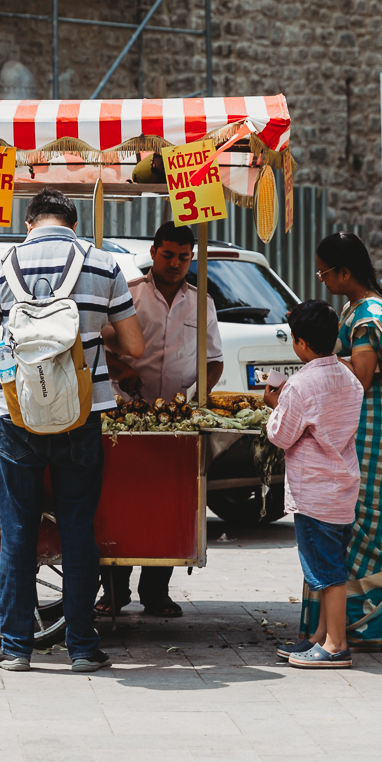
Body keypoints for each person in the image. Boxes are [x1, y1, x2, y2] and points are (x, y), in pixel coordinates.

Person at [0, 189, 146, 673]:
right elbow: (133, 344)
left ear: (30, 222)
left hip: (16, 418)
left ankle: (15, 648)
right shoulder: (105, 265)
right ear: (73, 223)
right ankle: (83, 649)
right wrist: (92, 328)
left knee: (18, 531)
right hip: (81, 416)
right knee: (77, 530)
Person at [295, 231, 382, 651]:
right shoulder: (358, 307)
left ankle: (361, 627)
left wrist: (315, 370)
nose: (321, 279)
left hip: (370, 434)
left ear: (344, 272)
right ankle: (332, 629)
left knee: (363, 522)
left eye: (323, 272)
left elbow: (362, 375)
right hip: (354, 431)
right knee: (343, 522)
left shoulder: (370, 315)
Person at [96, 221, 223, 618]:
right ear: (153, 253)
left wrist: (193, 396)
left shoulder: (202, 302)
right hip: (127, 417)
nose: (175, 264)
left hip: (177, 424)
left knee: (168, 505)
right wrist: (121, 371)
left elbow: (214, 361)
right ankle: (114, 591)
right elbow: (101, 347)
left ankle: (157, 592)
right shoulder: (129, 295)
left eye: (184, 257)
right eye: (168, 255)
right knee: (120, 503)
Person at [261, 299, 364, 668]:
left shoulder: (300, 385)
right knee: (330, 566)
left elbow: (281, 436)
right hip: (343, 488)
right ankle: (321, 636)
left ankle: (336, 645)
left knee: (327, 573)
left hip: (314, 493)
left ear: (300, 342)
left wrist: (275, 405)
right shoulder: (349, 378)